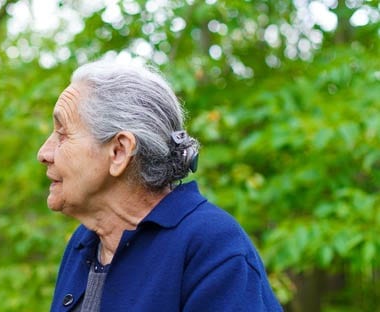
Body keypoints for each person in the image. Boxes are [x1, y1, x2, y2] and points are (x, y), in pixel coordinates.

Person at [37, 59, 281, 311]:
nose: (43, 153)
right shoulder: (85, 243)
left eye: (62, 133)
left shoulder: (211, 246)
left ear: (119, 151)